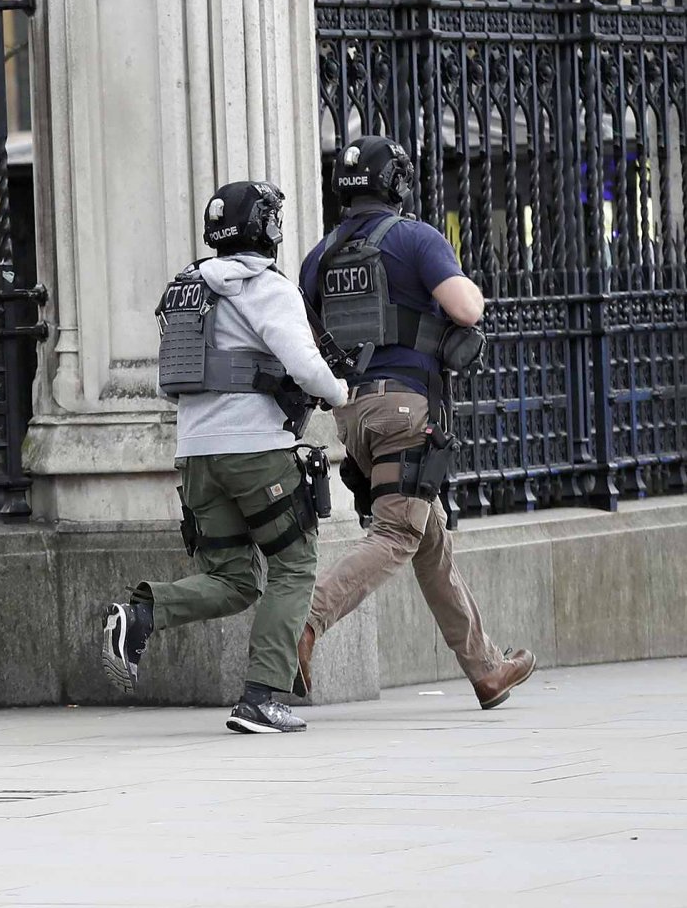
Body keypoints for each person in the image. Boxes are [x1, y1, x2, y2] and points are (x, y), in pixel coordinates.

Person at [293, 136, 535, 709]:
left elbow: (307, 333)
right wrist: (466, 284)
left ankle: (486, 669)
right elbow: (466, 308)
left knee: (430, 538)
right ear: (397, 184)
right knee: (399, 533)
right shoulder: (416, 237)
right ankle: (303, 624)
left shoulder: (319, 256)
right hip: (408, 408)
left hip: (353, 415)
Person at [98, 181, 347, 734]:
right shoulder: (268, 290)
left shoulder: (187, 289)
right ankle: (262, 697)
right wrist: (339, 393)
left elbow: (173, 382)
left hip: (196, 457)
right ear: (266, 228)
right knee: (294, 565)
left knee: (234, 578)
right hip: (256, 453)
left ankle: (142, 613)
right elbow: (305, 368)